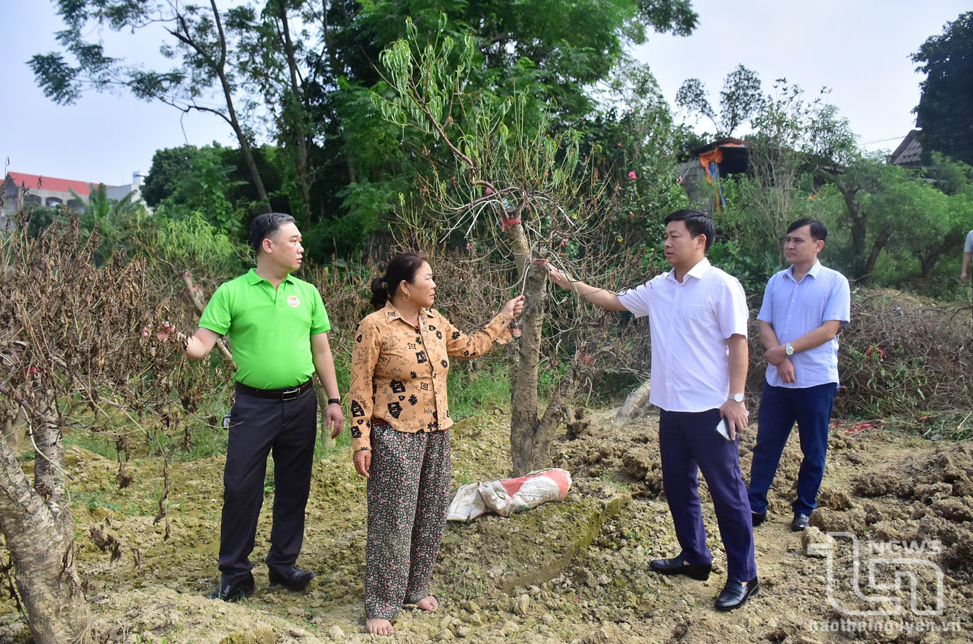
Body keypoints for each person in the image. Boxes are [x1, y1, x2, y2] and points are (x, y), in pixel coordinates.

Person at [544, 209, 758, 612]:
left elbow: (738, 343)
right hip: (671, 410)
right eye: (665, 235)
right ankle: (695, 556)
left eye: (675, 236)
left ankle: (744, 575)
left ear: (700, 242)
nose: (667, 242)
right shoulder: (660, 287)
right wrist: (563, 280)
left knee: (728, 495)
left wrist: (736, 398)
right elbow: (612, 301)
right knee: (679, 488)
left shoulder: (722, 286)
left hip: (711, 410)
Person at [349, 253, 524, 636]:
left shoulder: (435, 322)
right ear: (404, 288)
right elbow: (360, 387)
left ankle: (415, 588)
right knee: (392, 520)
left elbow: (472, 347)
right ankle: (381, 603)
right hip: (394, 436)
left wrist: (504, 316)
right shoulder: (374, 327)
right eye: (427, 278)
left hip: (437, 432)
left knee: (429, 516)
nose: (434, 284)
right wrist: (361, 441)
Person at [185, 212, 344, 602]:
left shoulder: (306, 293)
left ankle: (283, 565)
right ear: (268, 245)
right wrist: (175, 339)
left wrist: (335, 401)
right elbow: (200, 346)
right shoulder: (233, 292)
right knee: (240, 487)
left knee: (294, 488)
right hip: (253, 407)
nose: (301, 247)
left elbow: (321, 349)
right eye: (294, 240)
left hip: (301, 404)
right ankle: (235, 573)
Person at [747, 218, 850, 532]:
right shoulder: (777, 281)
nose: (790, 246)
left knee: (813, 448)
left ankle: (804, 508)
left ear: (818, 245)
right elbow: (765, 323)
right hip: (778, 380)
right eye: (788, 240)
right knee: (766, 443)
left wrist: (786, 351)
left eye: (798, 241)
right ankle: (755, 505)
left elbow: (829, 329)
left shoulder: (834, 282)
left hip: (815, 381)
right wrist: (779, 360)